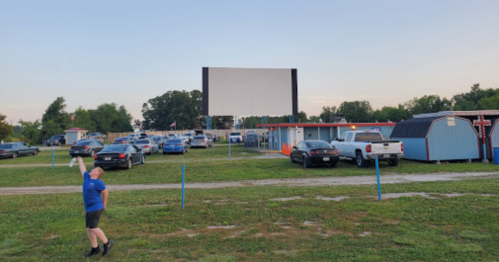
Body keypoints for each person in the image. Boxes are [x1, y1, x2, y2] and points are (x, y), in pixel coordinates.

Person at [77, 156, 114, 257]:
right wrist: (80, 160)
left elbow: (106, 192)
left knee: (93, 227)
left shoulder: (98, 182)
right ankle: (95, 248)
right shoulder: (87, 177)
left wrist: (104, 204)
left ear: (97, 173)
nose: (91, 170)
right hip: (89, 208)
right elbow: (83, 169)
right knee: (88, 228)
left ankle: (107, 243)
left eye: (93, 169)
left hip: (96, 207)